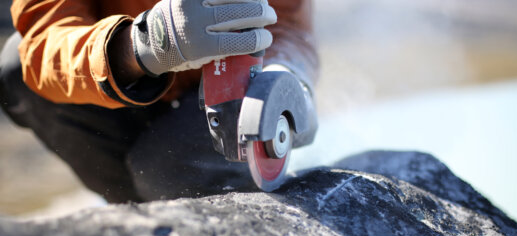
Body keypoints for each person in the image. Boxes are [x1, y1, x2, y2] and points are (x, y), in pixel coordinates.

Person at [0, 0, 318, 203]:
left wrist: (284, 73)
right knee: (17, 69)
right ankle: (134, 209)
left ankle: (216, 207)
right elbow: (43, 39)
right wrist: (142, 45)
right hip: (112, 80)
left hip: (216, 87)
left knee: (168, 170)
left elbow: (285, 22)